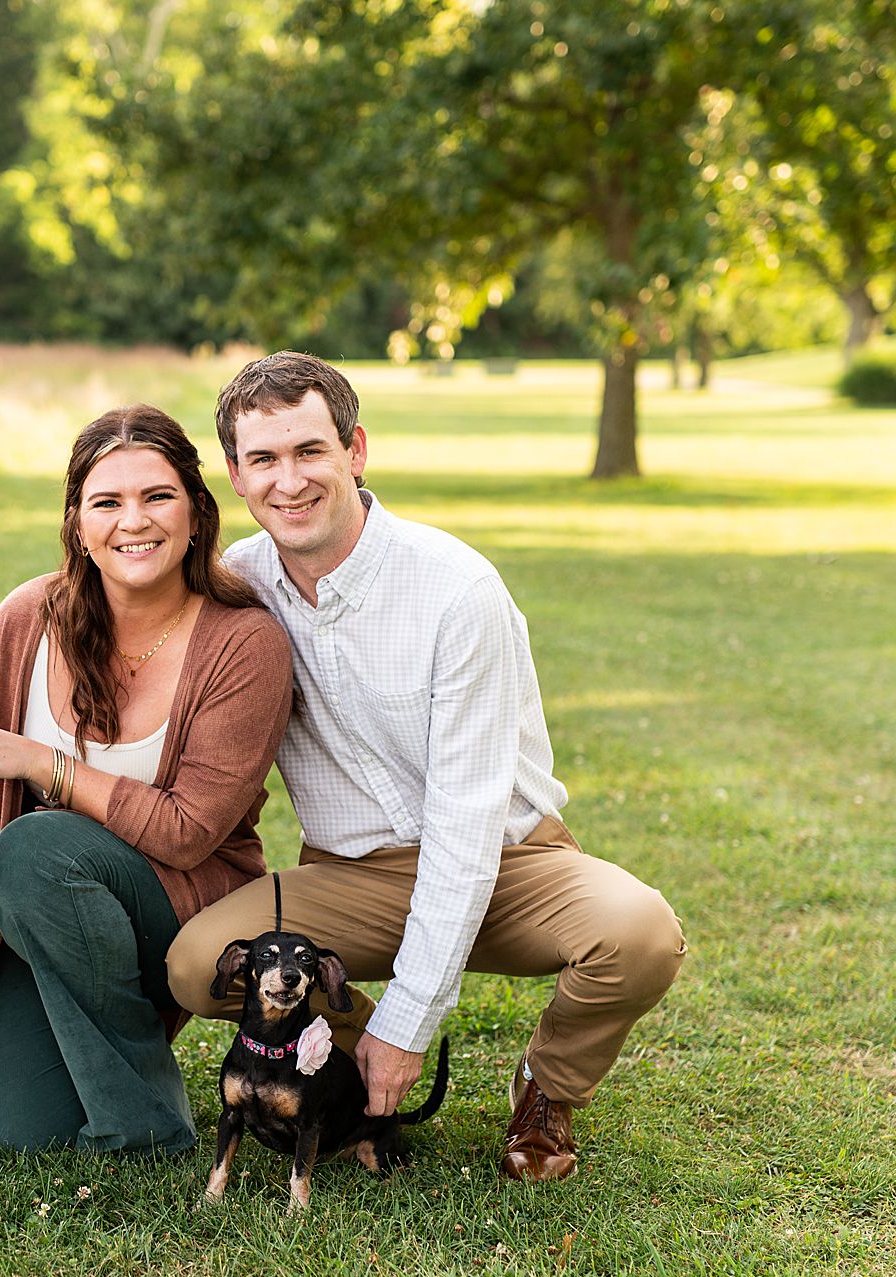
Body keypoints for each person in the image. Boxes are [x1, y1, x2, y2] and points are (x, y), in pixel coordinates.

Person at [165, 352, 687, 1181]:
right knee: (199, 964)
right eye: (263, 459)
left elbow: (466, 827)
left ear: (356, 450)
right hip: (351, 876)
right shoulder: (239, 588)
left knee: (641, 935)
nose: (288, 481)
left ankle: (546, 1089)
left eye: (310, 451)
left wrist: (409, 1022)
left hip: (508, 859)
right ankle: (339, 1049)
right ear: (235, 474)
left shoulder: (456, 590)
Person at [0, 404, 293, 1154]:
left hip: (182, 911)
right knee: (7, 1128)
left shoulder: (243, 641)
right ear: (77, 524)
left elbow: (189, 833)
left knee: (32, 845)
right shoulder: (27, 619)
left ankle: (146, 1124)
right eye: (107, 502)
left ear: (196, 512)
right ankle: (100, 1047)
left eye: (158, 496)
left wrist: (42, 765)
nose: (134, 521)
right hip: (49, 914)